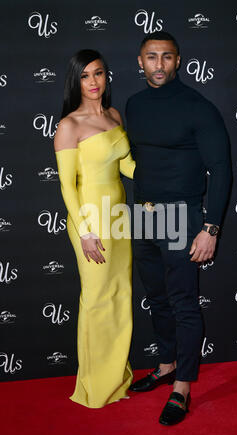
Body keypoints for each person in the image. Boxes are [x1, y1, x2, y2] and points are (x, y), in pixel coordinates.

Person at [126, 32, 232, 425]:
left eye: (166, 57)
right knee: (156, 298)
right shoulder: (134, 106)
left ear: (178, 61)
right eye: (151, 57)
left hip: (181, 214)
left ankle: (182, 387)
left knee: (183, 301)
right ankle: (167, 364)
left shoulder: (197, 107)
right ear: (140, 61)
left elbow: (221, 170)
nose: (158, 64)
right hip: (144, 213)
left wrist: (211, 228)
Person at [54, 49, 136, 408]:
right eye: (85, 76)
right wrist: (86, 231)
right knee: (97, 299)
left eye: (98, 73)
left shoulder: (115, 115)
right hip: (90, 220)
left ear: (107, 77)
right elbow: (66, 185)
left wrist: (167, 174)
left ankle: (116, 376)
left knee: (120, 295)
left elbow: (129, 166)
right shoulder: (69, 126)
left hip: (118, 215)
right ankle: (93, 383)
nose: (93, 82)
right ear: (76, 80)